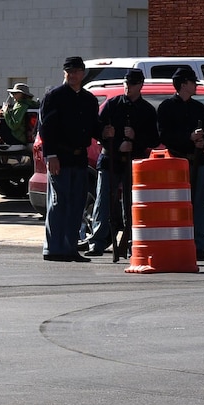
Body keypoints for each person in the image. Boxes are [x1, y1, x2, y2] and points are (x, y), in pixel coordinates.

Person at [87, 69, 158, 261]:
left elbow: (153, 138)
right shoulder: (112, 104)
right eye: (126, 83)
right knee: (103, 203)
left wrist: (135, 139)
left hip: (134, 162)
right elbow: (97, 127)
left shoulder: (147, 110)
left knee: (131, 204)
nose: (128, 87)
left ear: (140, 85)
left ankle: (131, 243)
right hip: (110, 158)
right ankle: (97, 242)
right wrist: (107, 135)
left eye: (132, 84)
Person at [39, 56, 99, 263]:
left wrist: (108, 132)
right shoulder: (54, 96)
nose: (73, 75)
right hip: (60, 157)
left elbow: (94, 127)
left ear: (83, 73)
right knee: (59, 202)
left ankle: (70, 248)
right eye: (69, 72)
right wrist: (51, 155)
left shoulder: (89, 100)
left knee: (77, 204)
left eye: (76, 71)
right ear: (64, 73)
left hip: (80, 158)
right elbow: (46, 128)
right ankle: (53, 248)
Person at [156, 67, 204, 260]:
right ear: (183, 85)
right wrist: (188, 137)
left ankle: (199, 245)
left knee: (198, 203)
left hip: (198, 160)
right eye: (192, 82)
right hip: (177, 161)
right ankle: (177, 241)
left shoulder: (199, 108)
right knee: (177, 205)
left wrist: (202, 142)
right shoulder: (167, 107)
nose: (195, 85)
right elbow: (164, 135)